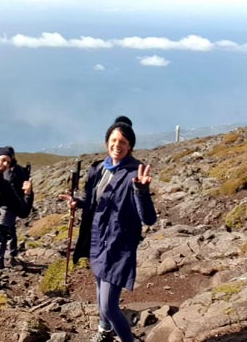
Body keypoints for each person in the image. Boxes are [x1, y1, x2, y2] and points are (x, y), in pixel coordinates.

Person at [60, 117, 157, 342]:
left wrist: (142, 191)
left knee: (109, 306)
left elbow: (149, 219)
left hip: (118, 247)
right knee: (100, 297)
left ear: (130, 146)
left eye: (123, 142)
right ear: (106, 143)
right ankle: (105, 332)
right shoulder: (100, 170)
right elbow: (94, 203)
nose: (117, 145)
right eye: (113, 140)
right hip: (97, 243)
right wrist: (79, 203)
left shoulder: (134, 174)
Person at [0, 146, 34, 269]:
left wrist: (28, 194)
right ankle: (10, 256)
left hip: (7, 206)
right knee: (8, 231)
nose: (6, 164)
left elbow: (23, 211)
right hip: (11, 205)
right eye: (3, 160)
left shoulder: (6, 181)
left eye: (8, 161)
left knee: (3, 231)